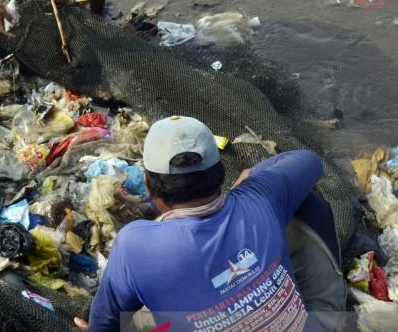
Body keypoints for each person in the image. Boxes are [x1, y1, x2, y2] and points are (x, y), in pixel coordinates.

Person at [88, 116, 346, 331]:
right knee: (310, 206)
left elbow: (104, 323)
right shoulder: (261, 197)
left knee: (136, 320)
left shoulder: (135, 246)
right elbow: (309, 161)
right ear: (222, 174)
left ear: (148, 185)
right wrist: (251, 178)